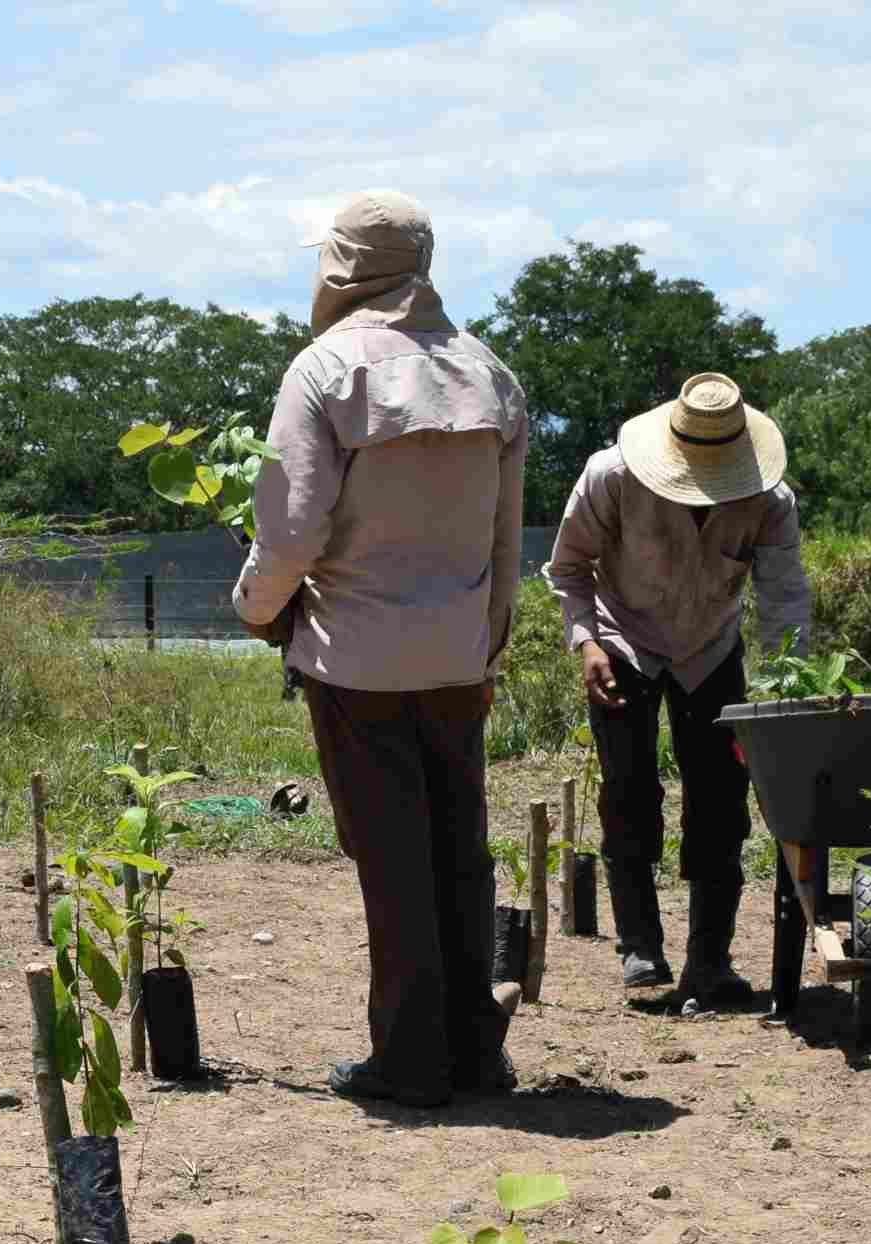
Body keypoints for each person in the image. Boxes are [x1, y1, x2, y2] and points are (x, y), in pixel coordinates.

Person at [235, 190, 530, 1108]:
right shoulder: (490, 374)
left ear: (339, 268)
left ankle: (408, 1061)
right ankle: (474, 1050)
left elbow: (289, 533)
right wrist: (484, 649)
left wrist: (257, 609)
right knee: (459, 854)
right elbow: (504, 541)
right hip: (455, 660)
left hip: (353, 662)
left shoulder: (324, 370)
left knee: (394, 861)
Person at [546, 373, 812, 1010]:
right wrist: (585, 643)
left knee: (721, 800)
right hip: (622, 644)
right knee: (629, 791)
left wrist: (785, 684)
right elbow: (568, 569)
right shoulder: (611, 476)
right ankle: (640, 945)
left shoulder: (770, 502)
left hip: (713, 648)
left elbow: (783, 600)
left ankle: (710, 959)